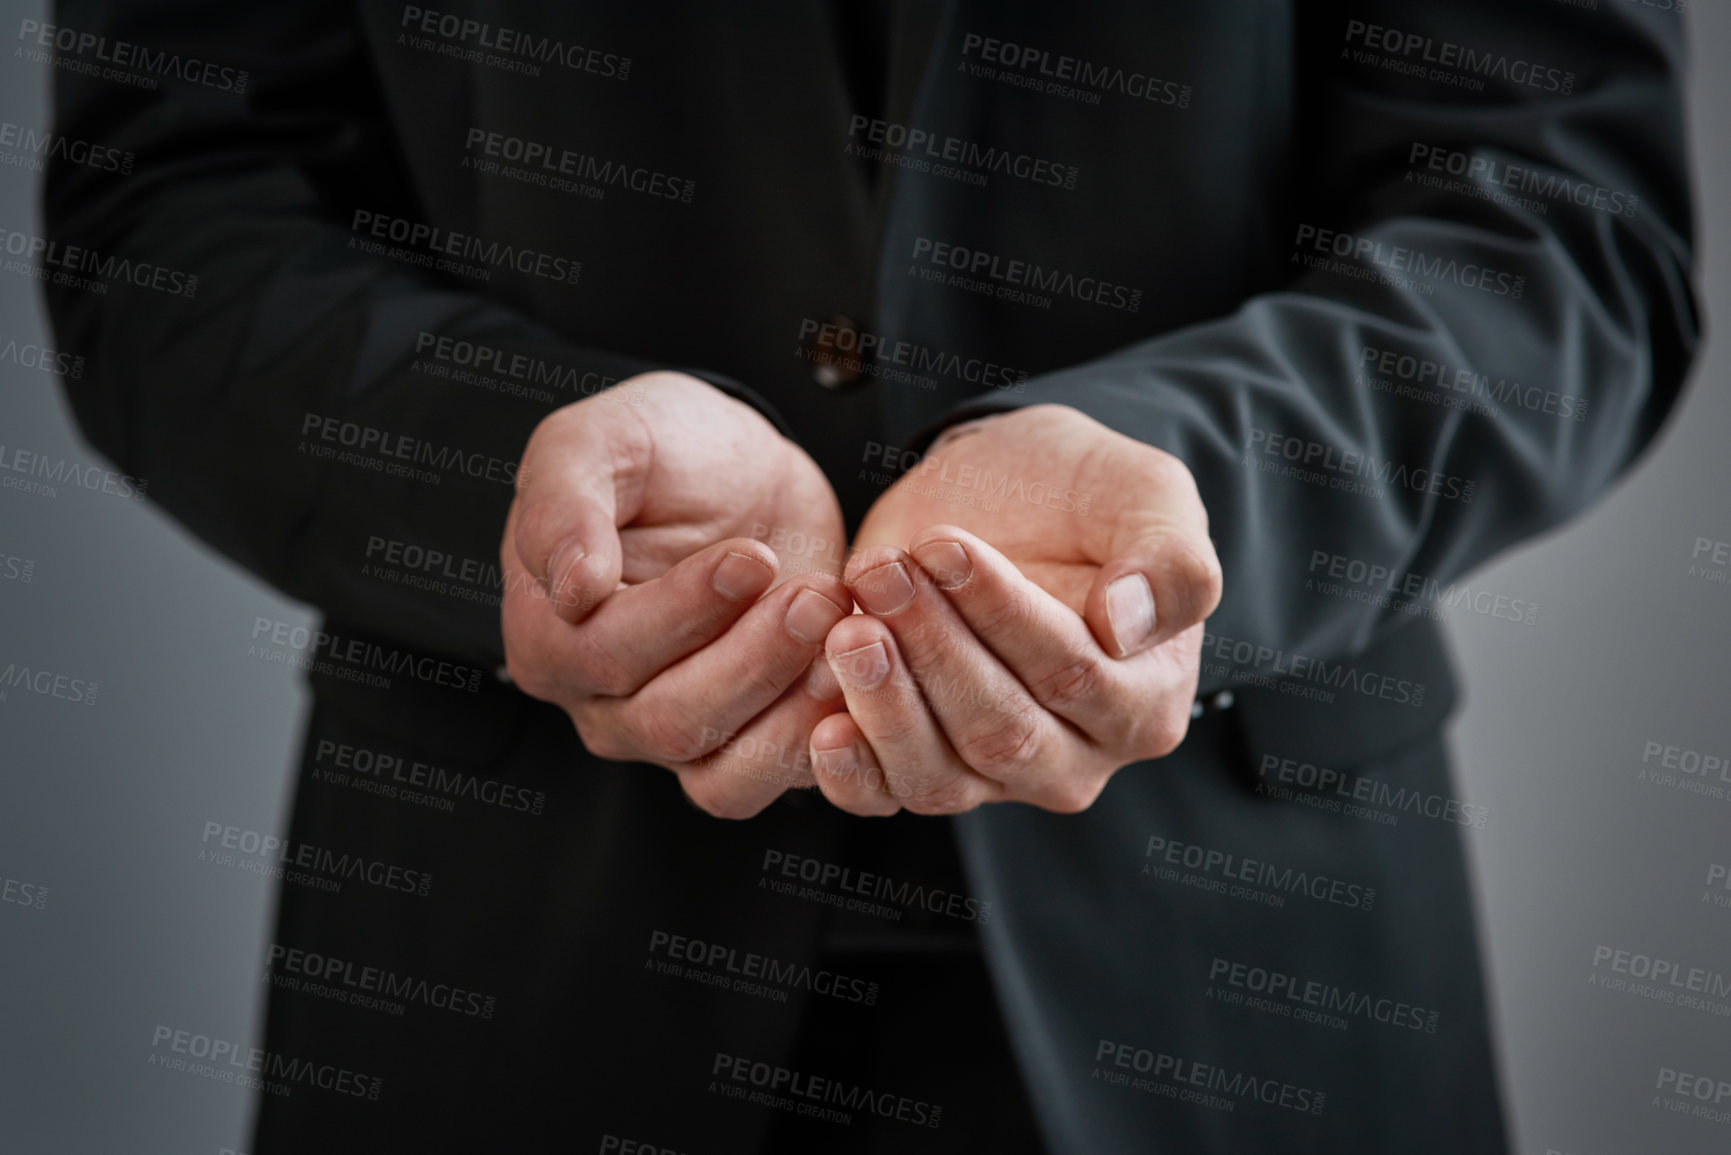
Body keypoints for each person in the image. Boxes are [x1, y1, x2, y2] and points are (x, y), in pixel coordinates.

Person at [43, 2, 1697, 1152]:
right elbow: (169, 218)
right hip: (509, 965)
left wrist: (1197, 492)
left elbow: (1565, 224)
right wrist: (515, 468)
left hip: (1237, 977)